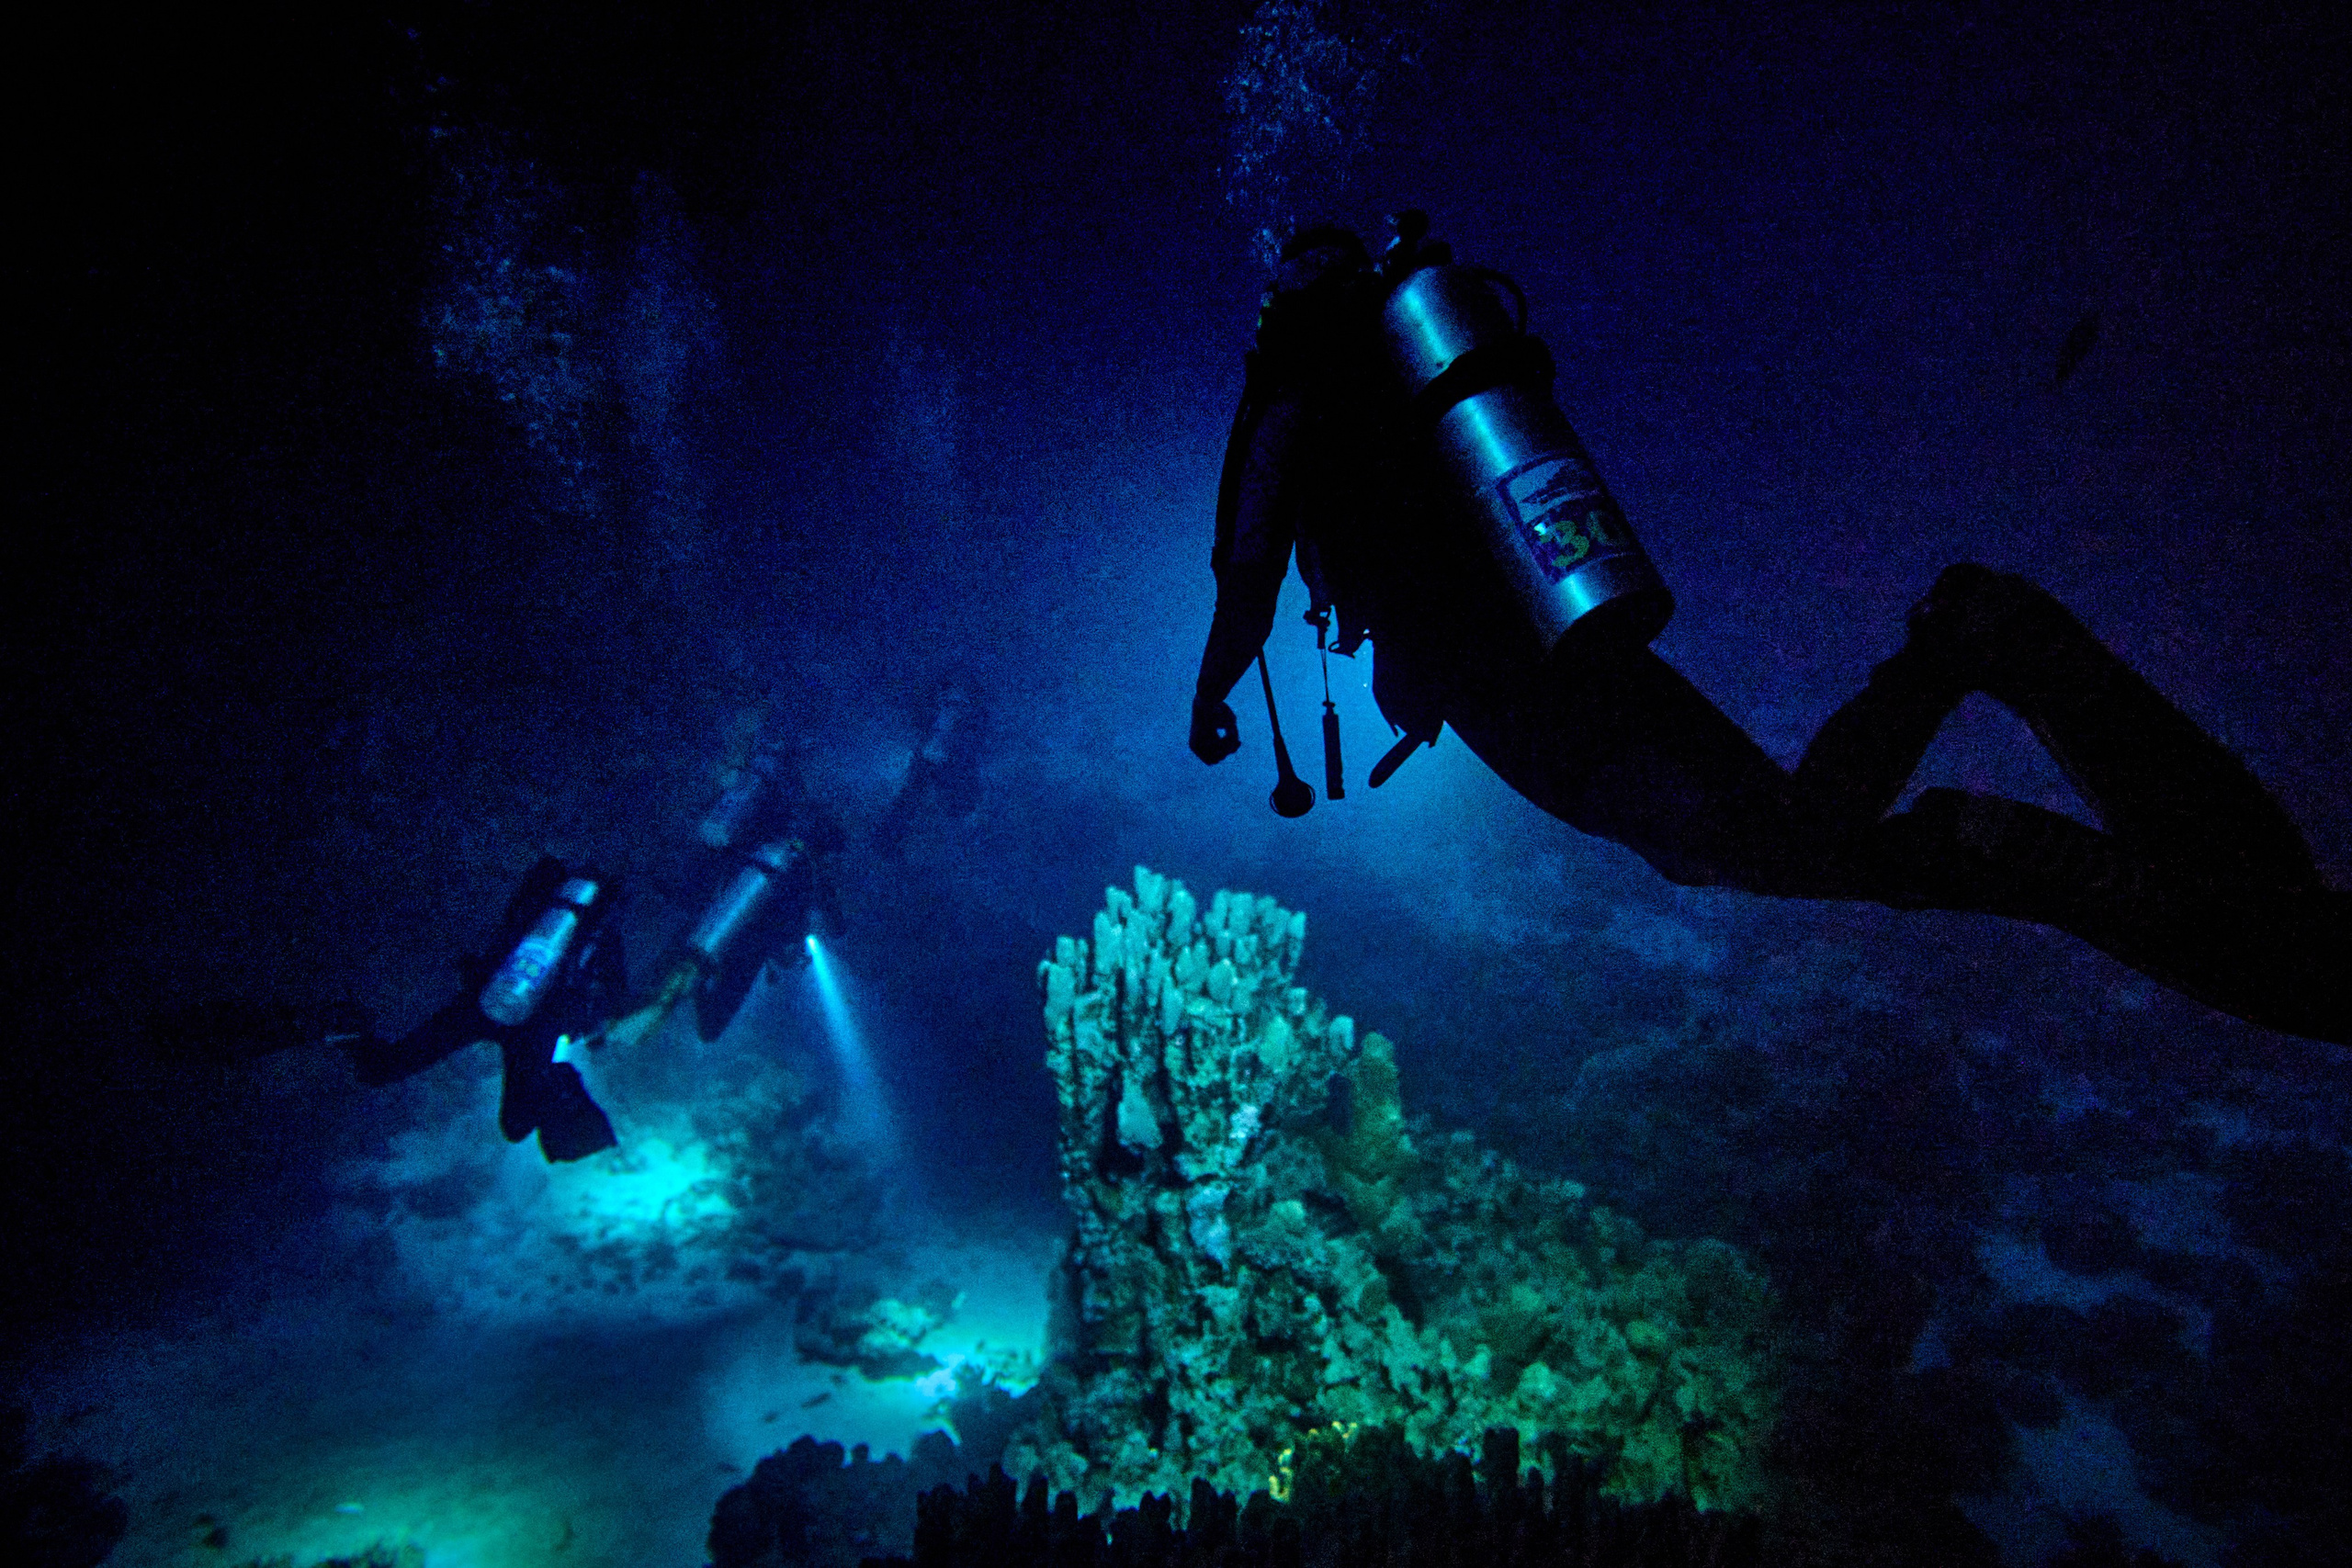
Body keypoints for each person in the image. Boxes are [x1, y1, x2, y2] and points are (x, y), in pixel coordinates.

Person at [1191, 217, 2348, 1044]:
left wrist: (1212, 699)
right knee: (1759, 834)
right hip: (1590, 641)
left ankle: (1966, 674)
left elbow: (1248, 576)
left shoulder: (1294, 395)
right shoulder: (1415, 373)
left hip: (1521, 695)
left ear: (1284, 294)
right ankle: (2007, 810)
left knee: (1760, 843)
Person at [157, 858, 626, 1161]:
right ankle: (341, 1026)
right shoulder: (596, 937)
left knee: (386, 1070)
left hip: (493, 1007)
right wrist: (592, 1024)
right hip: (525, 1027)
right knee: (513, 1124)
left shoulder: (563, 919)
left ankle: (340, 1025)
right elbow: (605, 997)